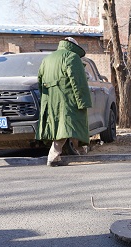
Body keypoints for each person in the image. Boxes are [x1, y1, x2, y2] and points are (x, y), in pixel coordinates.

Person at [36, 37, 91, 167]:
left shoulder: (47, 59)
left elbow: (40, 81)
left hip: (51, 99)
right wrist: (83, 101)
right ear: (74, 47)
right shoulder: (72, 57)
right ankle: (53, 156)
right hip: (68, 98)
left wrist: (45, 99)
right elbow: (78, 81)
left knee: (67, 127)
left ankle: (81, 152)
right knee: (67, 126)